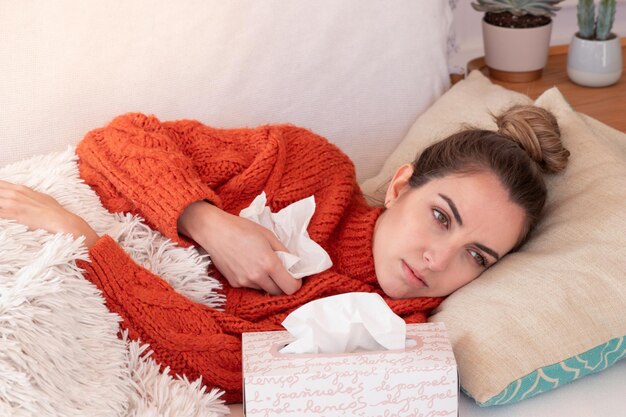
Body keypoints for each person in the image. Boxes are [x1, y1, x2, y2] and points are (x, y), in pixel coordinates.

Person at [0, 104, 569, 403]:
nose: (439, 260)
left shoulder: (391, 333)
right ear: (400, 186)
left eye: (477, 256)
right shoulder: (305, 164)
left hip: (77, 288)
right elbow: (120, 139)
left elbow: (222, 368)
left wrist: (86, 241)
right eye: (441, 217)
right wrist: (208, 222)